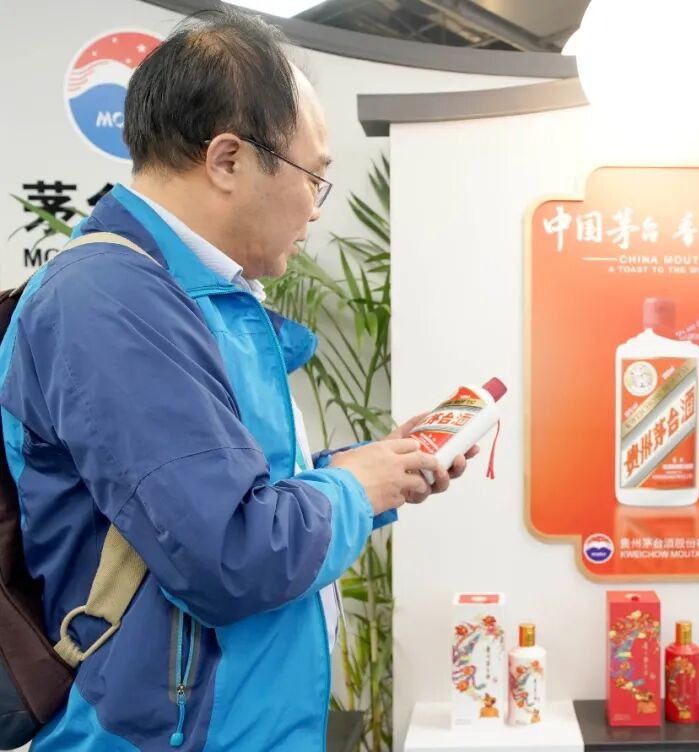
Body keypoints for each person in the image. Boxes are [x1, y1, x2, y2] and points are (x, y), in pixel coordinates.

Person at [0, 9, 470, 751]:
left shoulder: (200, 296)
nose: (316, 209)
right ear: (227, 160)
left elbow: (238, 497)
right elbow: (227, 555)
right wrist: (357, 488)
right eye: (315, 176)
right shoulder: (109, 300)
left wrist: (377, 468)